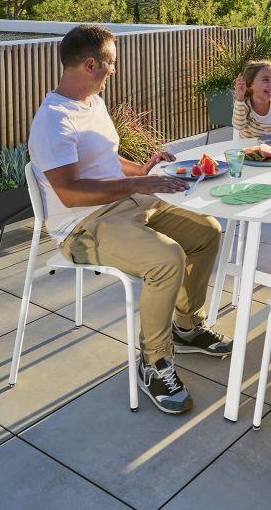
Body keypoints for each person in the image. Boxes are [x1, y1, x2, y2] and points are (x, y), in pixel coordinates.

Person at [28, 24, 232, 417]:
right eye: (111, 64)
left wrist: (139, 168)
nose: (114, 71)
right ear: (90, 64)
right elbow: (70, 192)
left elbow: (104, 160)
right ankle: (154, 363)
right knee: (165, 259)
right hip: (82, 226)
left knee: (207, 231)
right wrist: (140, 182)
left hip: (126, 203)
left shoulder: (92, 103)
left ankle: (186, 327)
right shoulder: (53, 121)